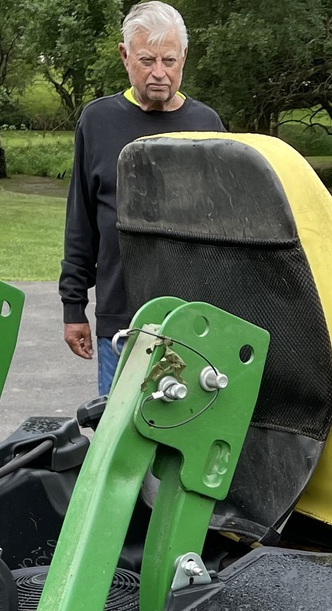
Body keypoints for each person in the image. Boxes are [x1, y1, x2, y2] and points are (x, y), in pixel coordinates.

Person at [59, 2, 223, 393]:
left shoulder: (208, 125)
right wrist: (73, 307)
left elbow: (224, 232)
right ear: (124, 55)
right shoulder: (97, 121)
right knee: (117, 443)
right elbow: (81, 221)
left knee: (184, 444)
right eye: (147, 60)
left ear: (184, 57)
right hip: (120, 320)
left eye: (169, 60)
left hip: (192, 321)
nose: (159, 73)